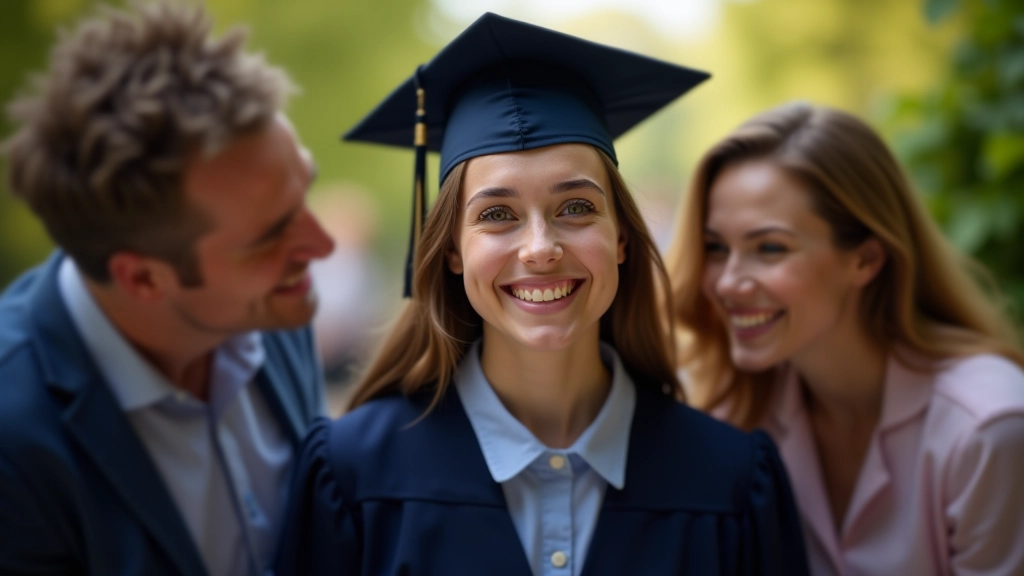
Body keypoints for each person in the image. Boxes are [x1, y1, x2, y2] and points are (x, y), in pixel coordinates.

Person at [276, 13, 809, 576]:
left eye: (576, 208)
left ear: (622, 237)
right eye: (497, 214)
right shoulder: (352, 475)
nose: (540, 248)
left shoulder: (729, 481)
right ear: (452, 250)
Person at [0, 3, 335, 575]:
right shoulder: (13, 439)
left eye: (305, 189)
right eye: (270, 235)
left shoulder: (273, 307)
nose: (321, 244)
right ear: (143, 277)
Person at [667, 101, 1024, 575]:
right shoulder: (731, 418)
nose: (727, 282)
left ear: (866, 260)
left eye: (769, 248)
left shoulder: (986, 429)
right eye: (716, 248)